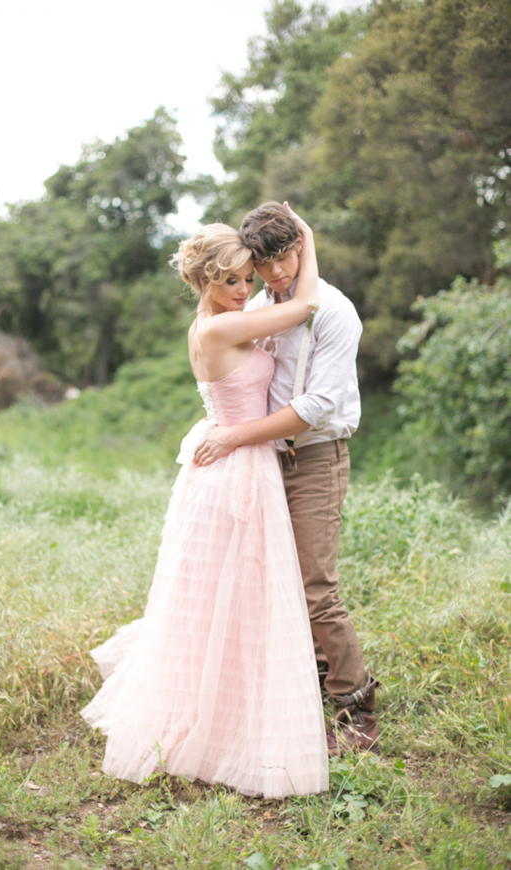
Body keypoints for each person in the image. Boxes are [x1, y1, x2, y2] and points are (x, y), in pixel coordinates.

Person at [81, 211, 329, 798]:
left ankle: (230, 717)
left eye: (248, 278)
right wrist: (309, 241)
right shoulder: (219, 331)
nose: (245, 290)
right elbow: (306, 305)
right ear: (203, 283)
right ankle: (212, 732)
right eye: (232, 282)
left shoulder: (228, 320)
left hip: (238, 457)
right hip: (235, 468)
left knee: (238, 597)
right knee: (222, 598)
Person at [194, 201, 380, 755]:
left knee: (316, 589)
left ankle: (357, 706)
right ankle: (315, 686)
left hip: (316, 455)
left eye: (284, 258)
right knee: (276, 584)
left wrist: (232, 435)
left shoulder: (333, 312)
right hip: (266, 459)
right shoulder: (256, 303)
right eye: (264, 264)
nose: (275, 274)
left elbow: (317, 405)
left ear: (301, 247)